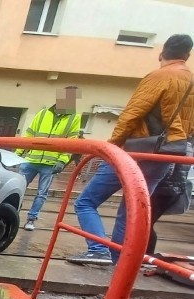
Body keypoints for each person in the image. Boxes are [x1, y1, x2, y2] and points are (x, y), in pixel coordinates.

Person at [67, 34, 194, 265]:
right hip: (167, 155)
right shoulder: (190, 82)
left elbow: (131, 114)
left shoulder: (159, 76)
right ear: (187, 55)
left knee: (85, 201)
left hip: (136, 153)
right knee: (131, 210)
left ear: (162, 53)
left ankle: (98, 249)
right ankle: (118, 260)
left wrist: (111, 147)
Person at [15, 86, 82, 231]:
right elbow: (29, 135)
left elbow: (71, 142)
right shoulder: (43, 113)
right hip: (31, 159)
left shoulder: (74, 118)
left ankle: (31, 219)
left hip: (50, 163)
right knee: (18, 188)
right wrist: (17, 154)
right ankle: (13, 214)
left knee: (41, 194)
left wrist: (62, 160)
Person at [147, 163, 191, 255]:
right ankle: (147, 255)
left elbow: (168, 167)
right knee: (147, 223)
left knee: (146, 223)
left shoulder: (176, 148)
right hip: (172, 188)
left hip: (163, 188)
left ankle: (146, 255)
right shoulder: (186, 148)